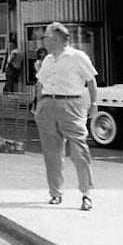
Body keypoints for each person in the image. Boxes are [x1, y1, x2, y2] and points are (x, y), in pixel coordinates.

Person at [34, 22, 98, 211]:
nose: (43, 40)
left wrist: (94, 104)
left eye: (45, 37)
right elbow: (40, 83)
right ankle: (55, 193)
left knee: (79, 150)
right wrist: (38, 105)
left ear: (56, 39)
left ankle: (86, 193)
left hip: (71, 104)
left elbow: (91, 80)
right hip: (48, 104)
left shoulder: (77, 57)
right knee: (51, 153)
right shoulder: (47, 60)